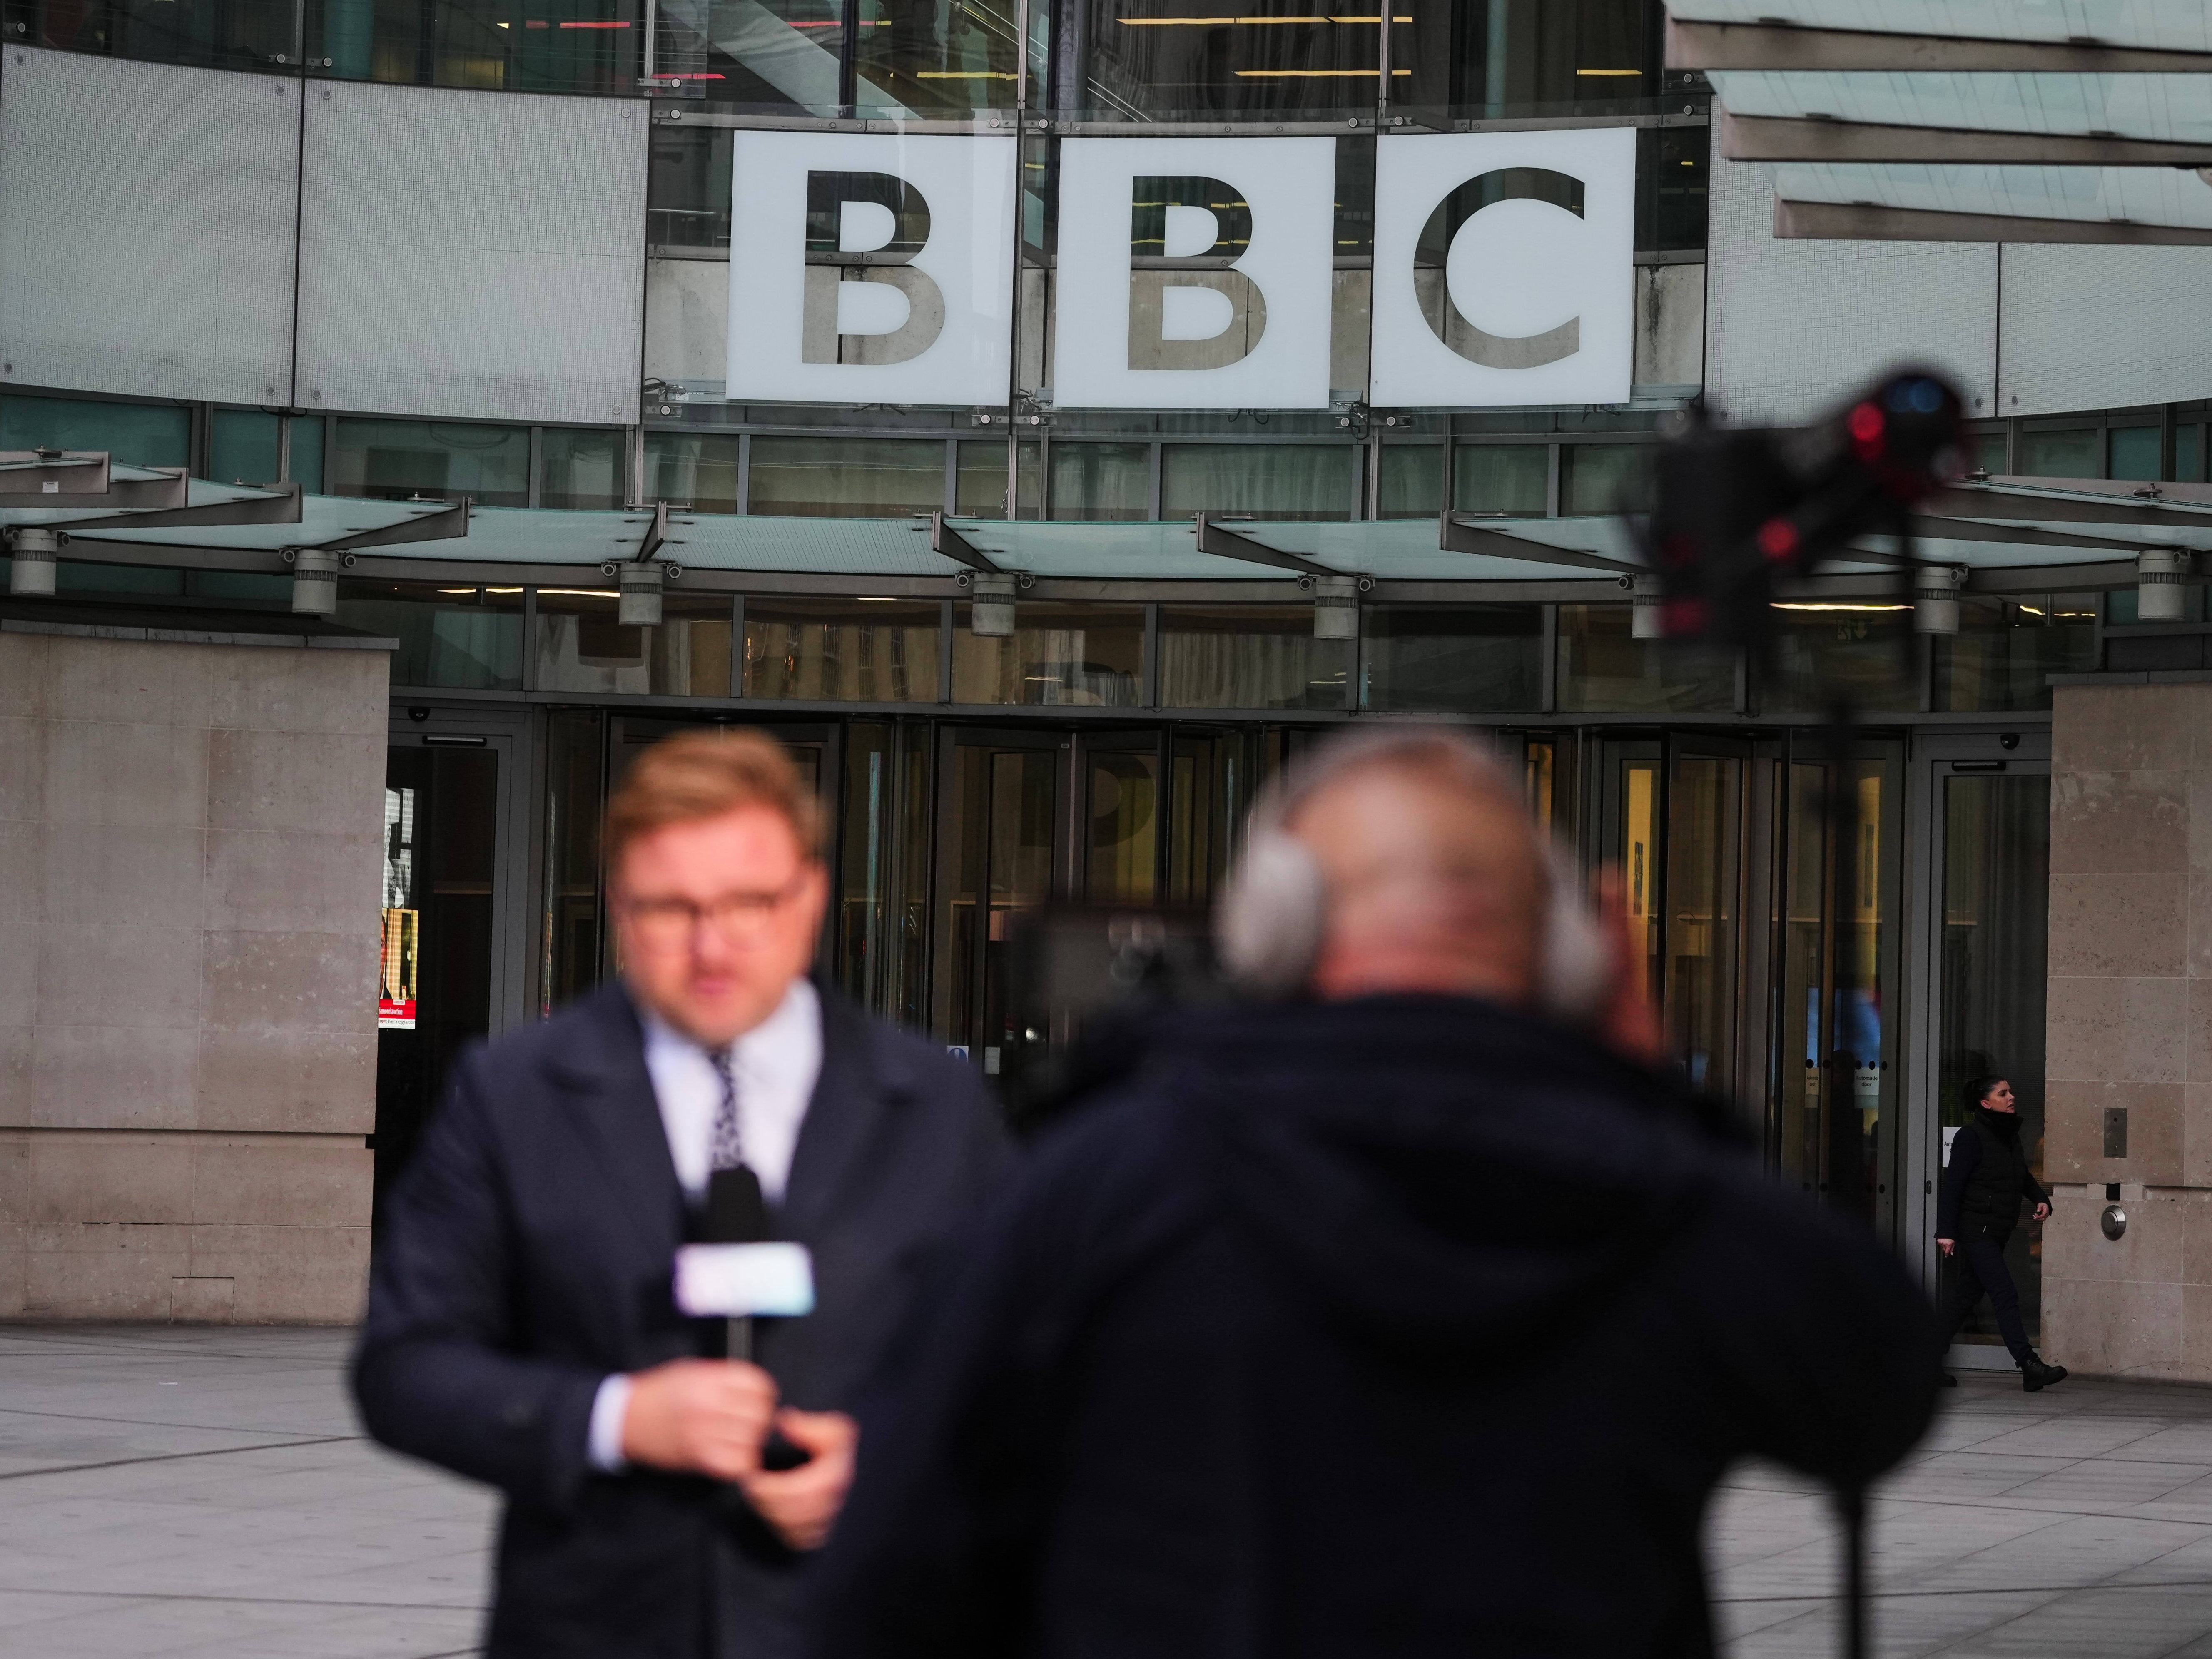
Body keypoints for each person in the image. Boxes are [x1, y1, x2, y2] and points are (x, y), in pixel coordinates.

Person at [809, 727, 1941, 1659]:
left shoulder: (1100, 1186)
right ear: (1570, 954)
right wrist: (1648, 1096)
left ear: (1274, 928)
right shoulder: (1669, 1206)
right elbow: (1877, 1392)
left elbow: (888, 1578)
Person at [354, 730, 1009, 1659]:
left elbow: (1030, 1371)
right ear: (619, 909)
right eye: (670, 908)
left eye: (748, 902)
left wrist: (891, 1463)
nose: (712, 947)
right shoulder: (514, 1094)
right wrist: (615, 1419)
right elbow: (404, 1367)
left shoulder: (936, 1108)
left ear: (811, 897)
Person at [1936, 1075, 2066, 1392]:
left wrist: (2040, 1198)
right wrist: (1947, 1232)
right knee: (2004, 1291)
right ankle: (2028, 1364)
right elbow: (1953, 1187)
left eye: (2010, 1092)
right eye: (2003, 1093)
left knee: (1965, 1297)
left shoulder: (2009, 1135)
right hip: (1976, 1229)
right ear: (1985, 1103)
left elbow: (2020, 1175)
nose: (2011, 1097)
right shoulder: (1971, 1137)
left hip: (1998, 1229)